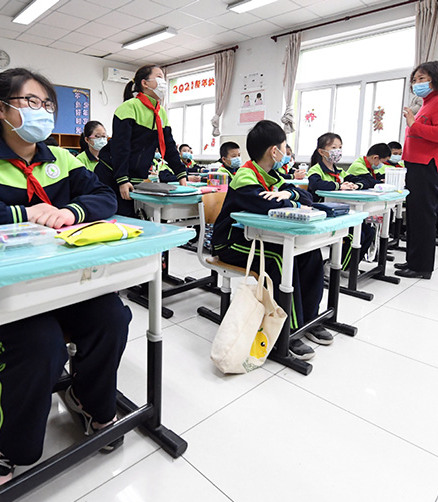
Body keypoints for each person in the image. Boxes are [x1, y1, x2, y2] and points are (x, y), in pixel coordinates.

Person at [0, 68, 130, 502]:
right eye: (32, 103)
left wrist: (71, 211)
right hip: (4, 292)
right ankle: (9, 448)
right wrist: (22, 214)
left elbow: (105, 198)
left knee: (113, 316)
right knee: (41, 345)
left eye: (48, 105)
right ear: (1, 108)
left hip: (63, 283)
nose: (43, 113)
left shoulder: (63, 159)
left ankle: (88, 400)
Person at [212, 120, 332, 359]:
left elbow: (306, 196)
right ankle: (290, 332)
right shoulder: (245, 176)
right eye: (284, 146)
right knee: (279, 260)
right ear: (273, 150)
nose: (286, 151)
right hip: (231, 242)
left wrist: (289, 193)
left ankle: (309, 317)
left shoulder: (271, 175)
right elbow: (267, 205)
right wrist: (290, 199)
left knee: (309, 253)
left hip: (258, 239)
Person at [96, 64, 186, 216]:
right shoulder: (129, 107)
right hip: (111, 174)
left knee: (134, 220)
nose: (163, 82)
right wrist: (122, 179)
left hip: (136, 177)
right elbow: (121, 147)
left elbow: (169, 146)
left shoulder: (160, 112)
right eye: (158, 77)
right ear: (145, 83)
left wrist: (181, 174)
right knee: (112, 218)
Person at [395, 61, 438, 279]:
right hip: (417, 165)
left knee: (423, 218)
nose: (417, 83)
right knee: (414, 216)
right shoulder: (427, 103)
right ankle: (413, 260)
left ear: (436, 78)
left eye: (422, 78)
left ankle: (422, 267)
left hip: (428, 166)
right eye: (415, 79)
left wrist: (414, 124)